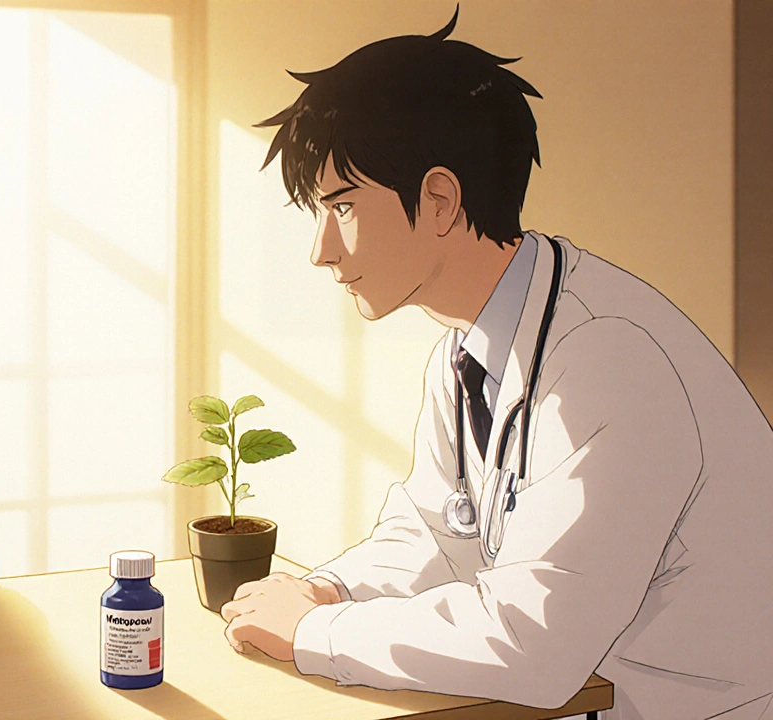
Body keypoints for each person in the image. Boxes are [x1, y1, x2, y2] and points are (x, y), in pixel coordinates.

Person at [218, 10, 773, 719]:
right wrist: (328, 591)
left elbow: (532, 644)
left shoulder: (611, 360)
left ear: (441, 200)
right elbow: (434, 533)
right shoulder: (463, 349)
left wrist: (314, 631)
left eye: (345, 208)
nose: (322, 250)